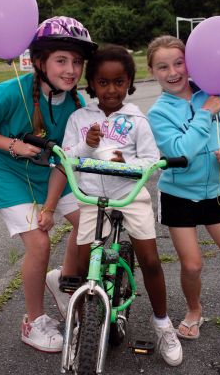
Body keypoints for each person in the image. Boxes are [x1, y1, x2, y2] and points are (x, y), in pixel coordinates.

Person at [0, 16, 97, 353]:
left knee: (88, 224)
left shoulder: (76, 104)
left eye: (77, 62)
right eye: (61, 60)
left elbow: (65, 159)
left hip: (46, 172)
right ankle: (33, 321)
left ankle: (63, 278)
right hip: (3, 170)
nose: (71, 69)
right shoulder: (12, 91)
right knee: (38, 244)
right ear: (39, 62)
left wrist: (51, 207)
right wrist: (12, 146)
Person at [61, 45, 183, 366]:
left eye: (118, 82)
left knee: (150, 260)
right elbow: (69, 158)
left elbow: (151, 160)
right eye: (103, 82)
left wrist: (125, 161)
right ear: (92, 84)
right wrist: (88, 147)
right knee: (86, 263)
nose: (111, 89)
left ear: (129, 82)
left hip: (130, 196)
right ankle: (83, 324)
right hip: (91, 198)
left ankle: (162, 324)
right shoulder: (80, 118)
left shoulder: (136, 120)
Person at [147, 35, 220, 340]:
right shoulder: (158, 113)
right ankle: (194, 310)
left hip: (217, 192)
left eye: (179, 63)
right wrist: (205, 114)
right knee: (192, 265)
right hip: (179, 196)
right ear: (153, 72)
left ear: (190, 63)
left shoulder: (215, 93)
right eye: (163, 66)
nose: (173, 72)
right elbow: (181, 150)